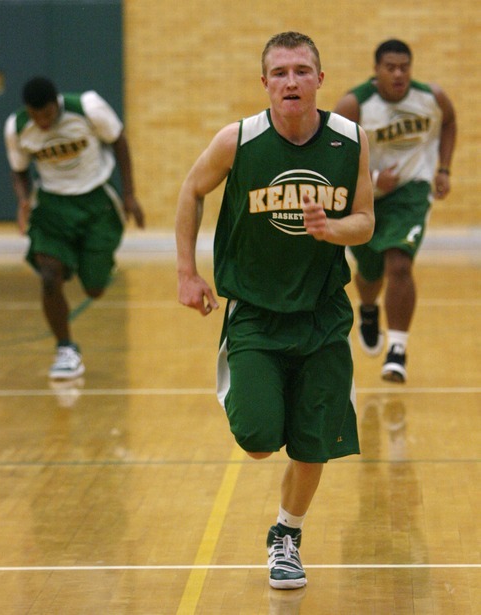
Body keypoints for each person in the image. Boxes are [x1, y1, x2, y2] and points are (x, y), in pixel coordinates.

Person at [175, 32, 374, 589]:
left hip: (323, 315)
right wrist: (187, 273)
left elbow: (365, 219)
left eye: (302, 70)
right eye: (280, 72)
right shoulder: (238, 140)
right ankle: (261, 399)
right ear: (265, 83)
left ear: (320, 79)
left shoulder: (351, 140)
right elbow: (192, 190)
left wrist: (331, 229)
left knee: (315, 444)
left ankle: (286, 535)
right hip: (257, 315)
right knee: (261, 440)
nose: (291, 81)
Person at [4, 77, 144, 380]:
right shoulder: (16, 127)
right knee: (49, 276)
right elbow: (19, 171)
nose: (42, 122)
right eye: (36, 115)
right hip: (53, 207)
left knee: (94, 288)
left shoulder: (88, 107)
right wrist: (23, 200)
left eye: (47, 114)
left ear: (57, 103)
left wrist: (130, 194)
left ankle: (95, 263)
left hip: (95, 201)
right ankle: (65, 349)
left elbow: (119, 141)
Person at [334, 39, 457, 383]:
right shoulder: (354, 104)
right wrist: (373, 178)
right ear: (376, 70)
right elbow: (332, 152)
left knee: (399, 262)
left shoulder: (431, 97)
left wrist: (443, 168)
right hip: (365, 195)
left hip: (412, 192)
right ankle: (369, 309)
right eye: (391, 67)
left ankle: (397, 351)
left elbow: (449, 121)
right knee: (369, 271)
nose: (399, 73)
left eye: (404, 66)